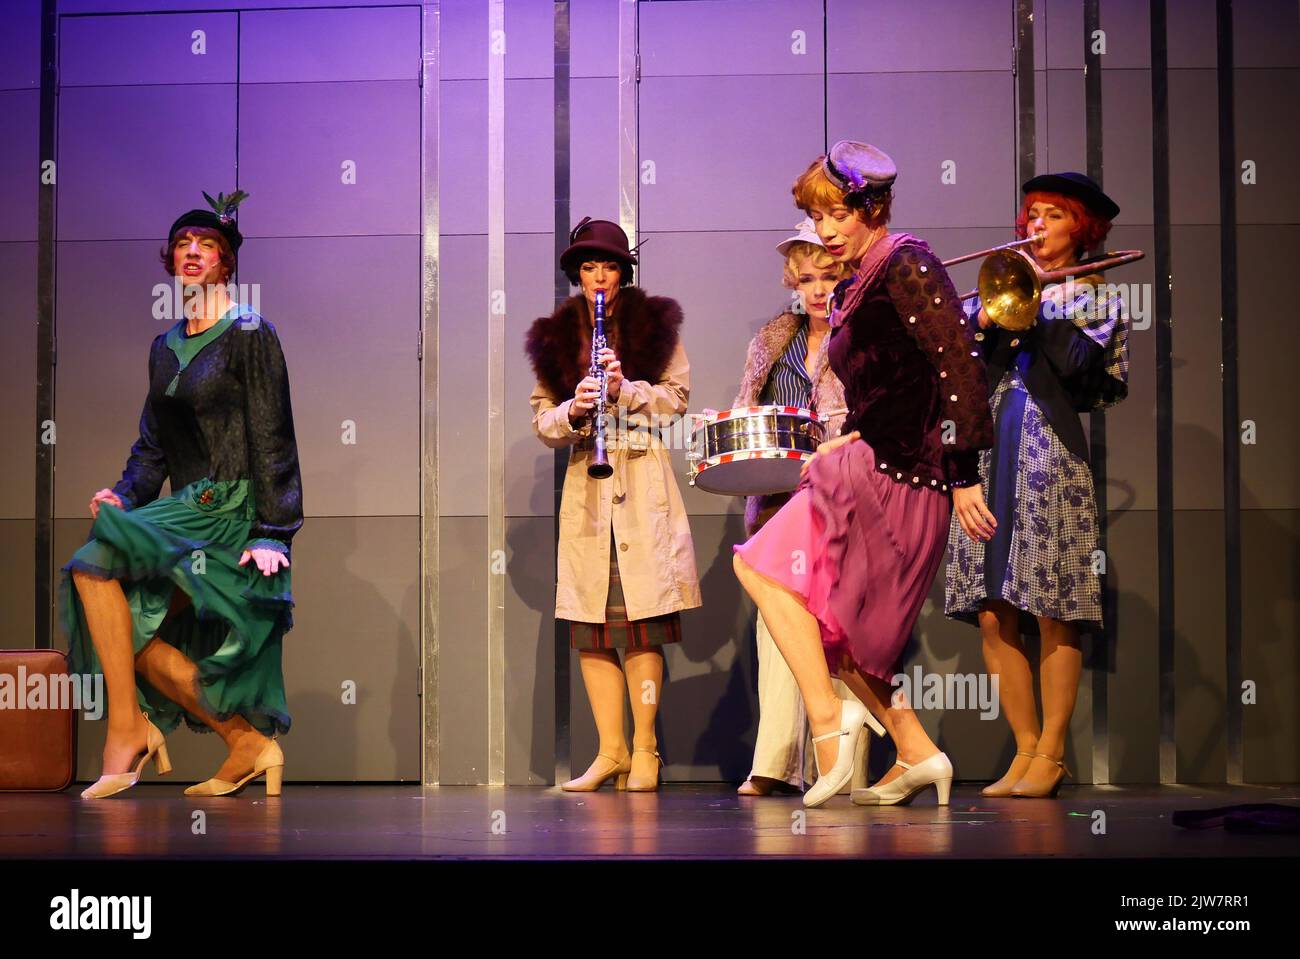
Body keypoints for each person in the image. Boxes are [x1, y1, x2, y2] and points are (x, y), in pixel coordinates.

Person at [732, 141, 995, 808]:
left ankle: (831, 722)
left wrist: (964, 469)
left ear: (872, 208)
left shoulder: (907, 262)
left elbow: (957, 367)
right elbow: (892, 388)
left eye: (835, 215)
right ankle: (916, 750)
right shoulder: (864, 278)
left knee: (769, 572)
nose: (823, 232)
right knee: (830, 621)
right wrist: (848, 434)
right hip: (867, 460)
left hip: (906, 478)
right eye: (816, 218)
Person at [62, 190, 303, 799]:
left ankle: (127, 734)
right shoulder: (164, 346)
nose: (193, 253)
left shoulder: (250, 332)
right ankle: (246, 743)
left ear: (227, 263)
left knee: (93, 570)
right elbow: (153, 446)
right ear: (169, 260)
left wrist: (273, 531)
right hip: (184, 507)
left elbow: (274, 433)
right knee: (125, 634)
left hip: (230, 511)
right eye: (183, 246)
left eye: (208, 246)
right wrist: (124, 494)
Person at [945, 172, 1129, 798]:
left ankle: (1052, 753)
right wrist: (993, 313)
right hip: (986, 457)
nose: (1036, 225)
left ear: (1081, 228)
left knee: (1053, 608)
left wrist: (1033, 305)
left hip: (1049, 456)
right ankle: (1024, 750)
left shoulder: (1094, 294)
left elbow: (1079, 368)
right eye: (1031, 214)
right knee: (995, 612)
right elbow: (962, 368)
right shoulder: (997, 286)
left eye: (1052, 215)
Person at [526, 217, 701, 793]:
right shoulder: (554, 336)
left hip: (640, 478)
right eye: (588, 267)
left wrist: (626, 389)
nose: (598, 278)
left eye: (608, 266)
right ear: (577, 274)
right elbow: (542, 422)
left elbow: (676, 401)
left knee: (642, 624)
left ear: (624, 271)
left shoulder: (656, 327)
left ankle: (646, 750)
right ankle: (612, 751)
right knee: (592, 626)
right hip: (589, 489)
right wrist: (573, 411)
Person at [731, 220, 865, 797]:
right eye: (806, 278)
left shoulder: (864, 335)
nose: (817, 290)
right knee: (779, 620)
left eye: (828, 276)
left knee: (840, 625)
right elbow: (744, 408)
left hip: (840, 489)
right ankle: (776, 760)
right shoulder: (772, 338)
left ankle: (845, 766)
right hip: (779, 496)